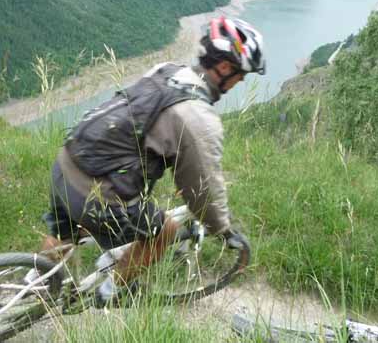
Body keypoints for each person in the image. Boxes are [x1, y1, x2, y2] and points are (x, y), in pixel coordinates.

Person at [39, 16, 266, 305]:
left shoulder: (167, 70)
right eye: (241, 75)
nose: (240, 82)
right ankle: (110, 292)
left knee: (66, 231)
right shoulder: (198, 117)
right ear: (224, 67)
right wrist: (222, 229)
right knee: (166, 232)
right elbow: (202, 189)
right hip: (96, 192)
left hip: (67, 161)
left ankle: (31, 285)